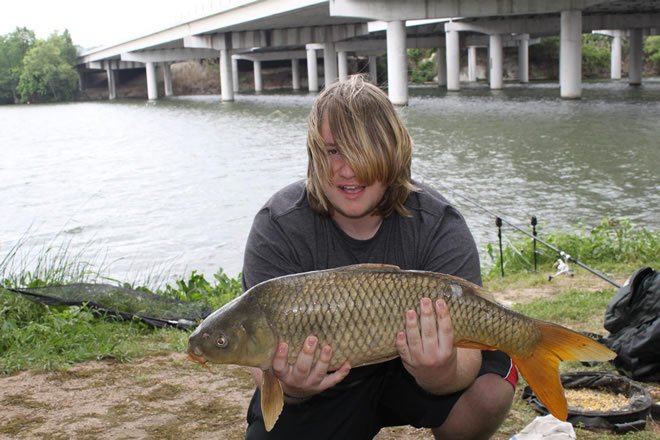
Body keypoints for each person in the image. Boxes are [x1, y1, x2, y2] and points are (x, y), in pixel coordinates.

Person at [241, 75, 516, 440]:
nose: (347, 169)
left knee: (490, 388)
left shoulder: (438, 223)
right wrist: (293, 387)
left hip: (418, 377)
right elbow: (258, 353)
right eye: (332, 150)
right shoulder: (278, 226)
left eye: (364, 148)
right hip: (329, 385)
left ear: (393, 150)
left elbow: (468, 358)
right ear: (313, 154)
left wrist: (440, 371)